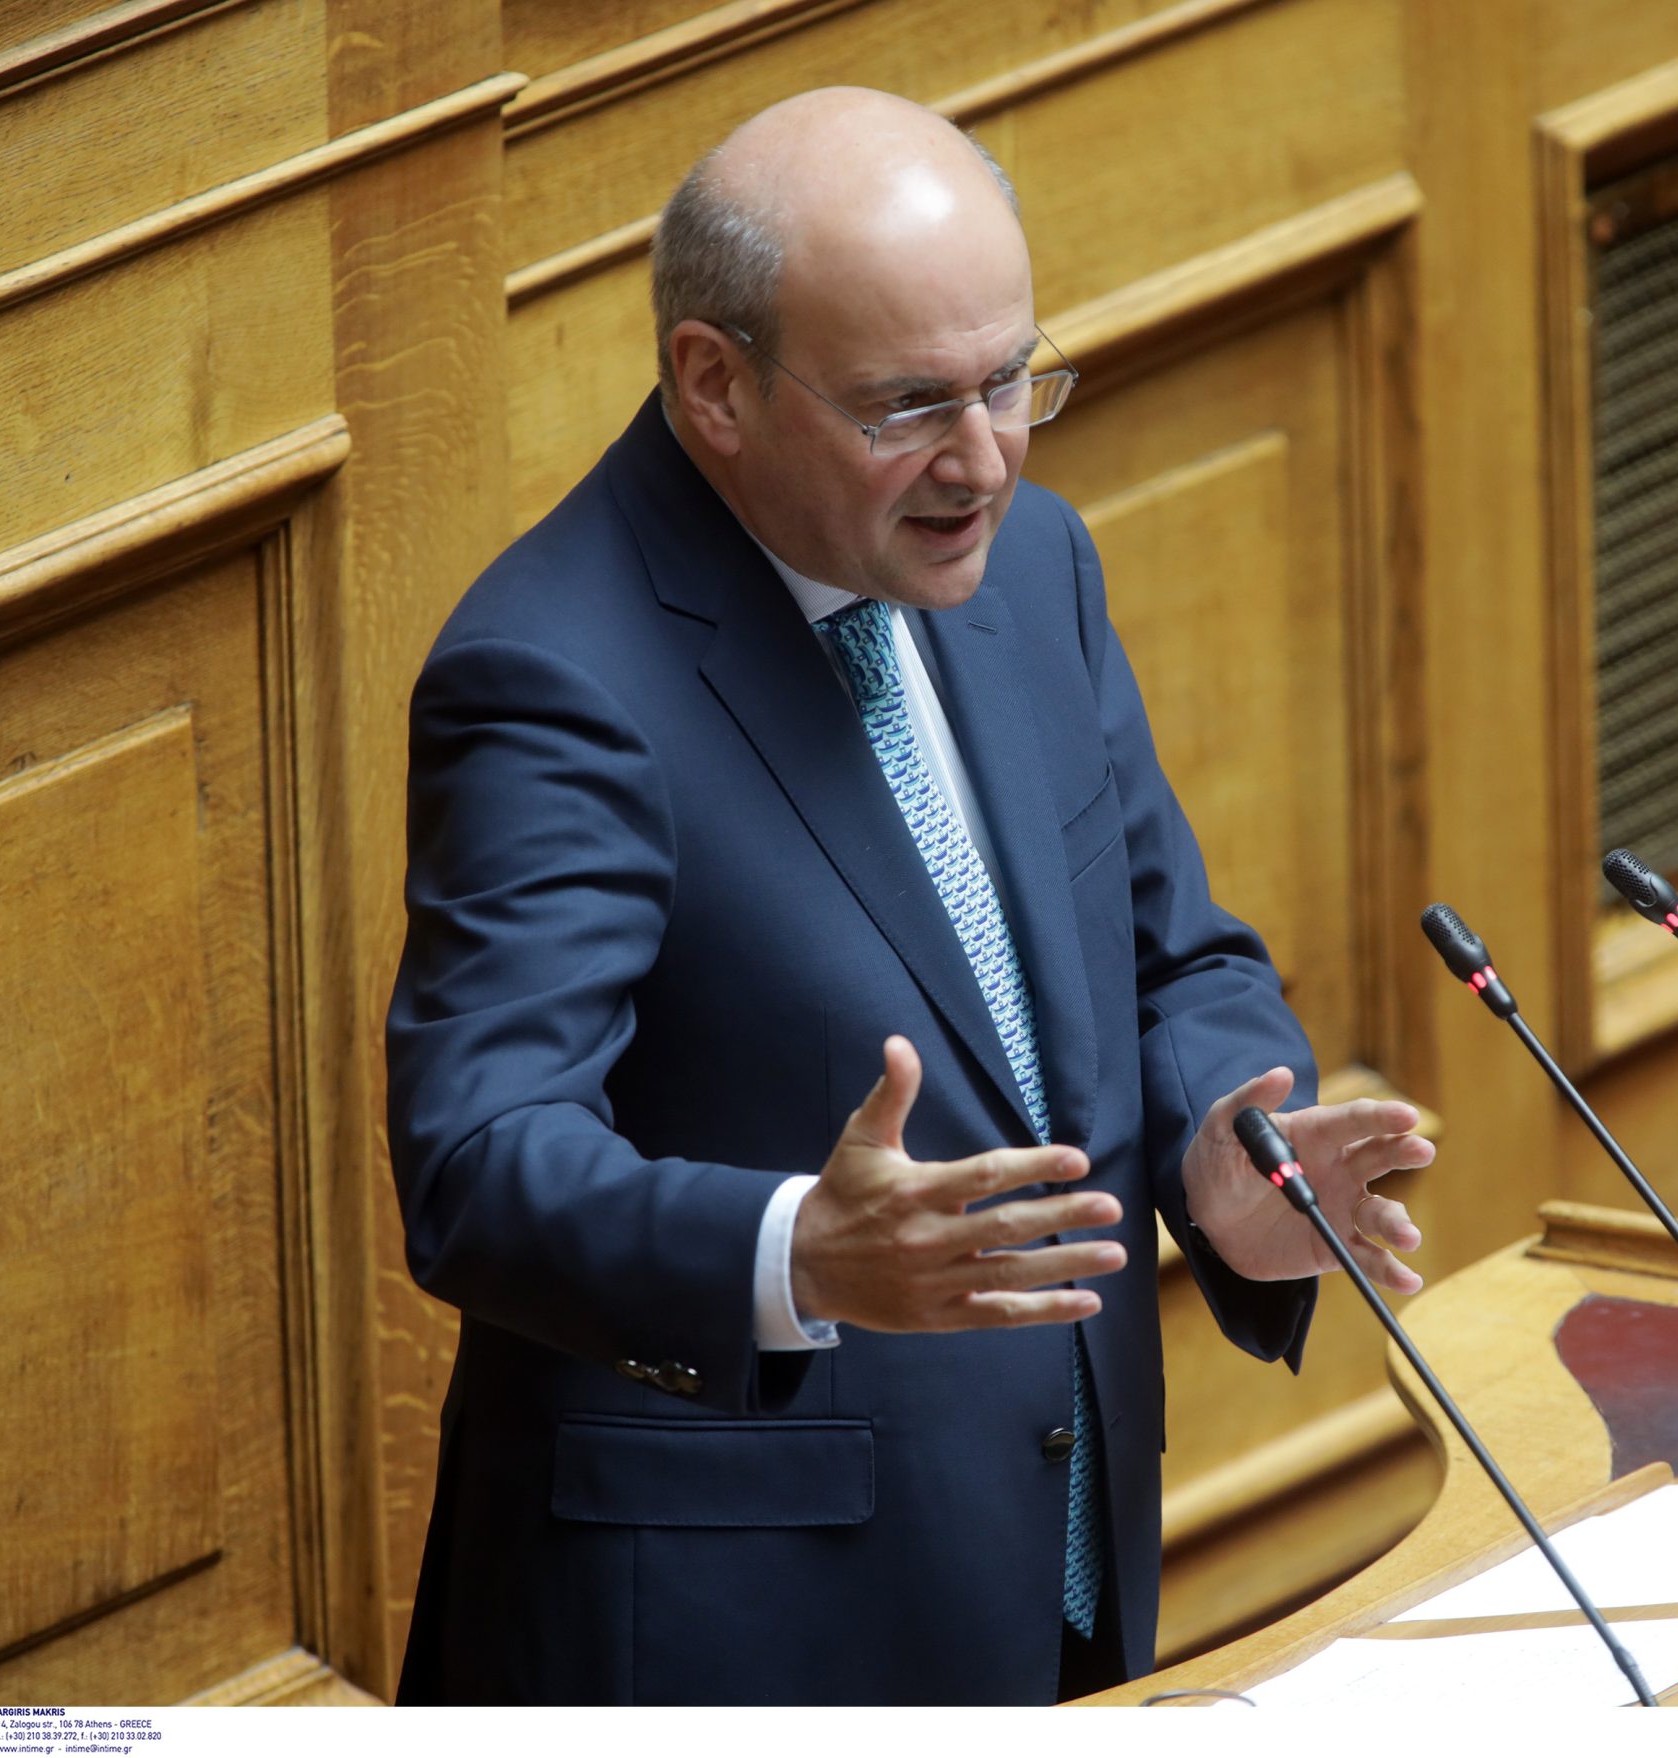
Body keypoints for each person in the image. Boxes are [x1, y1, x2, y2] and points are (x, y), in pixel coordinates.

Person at [384, 86, 1435, 1706]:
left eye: (1012, 379)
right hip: (738, 1645)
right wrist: (794, 1250)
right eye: (909, 406)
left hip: (1050, 1566)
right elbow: (476, 1161)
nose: (986, 457)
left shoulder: (1035, 565)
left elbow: (1167, 961)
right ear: (715, 383)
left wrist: (1226, 1144)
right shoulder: (553, 674)